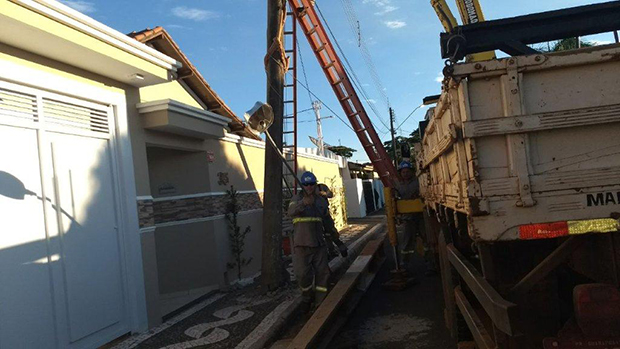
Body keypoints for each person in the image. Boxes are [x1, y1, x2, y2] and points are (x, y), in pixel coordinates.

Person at [288, 171, 347, 312]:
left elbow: (327, 223)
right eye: (306, 184)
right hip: (301, 245)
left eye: (311, 184)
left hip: (319, 244)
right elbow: (291, 212)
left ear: (315, 184)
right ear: (302, 185)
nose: (309, 187)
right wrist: (303, 203)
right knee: (302, 275)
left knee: (323, 274)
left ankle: (320, 303)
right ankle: (307, 297)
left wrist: (338, 242)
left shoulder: (320, 201)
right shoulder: (296, 199)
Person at [394, 161, 436, 274]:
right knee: (407, 243)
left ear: (412, 172)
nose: (406, 174)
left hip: (421, 217)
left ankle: (430, 264)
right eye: (403, 172)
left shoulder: (418, 182)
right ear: (400, 173)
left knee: (427, 240)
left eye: (408, 171)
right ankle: (404, 265)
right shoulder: (398, 186)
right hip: (408, 218)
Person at [316, 183, 348, 259]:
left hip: (325, 214)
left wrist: (325, 193)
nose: (310, 186)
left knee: (332, 232)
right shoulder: (309, 191)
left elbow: (330, 194)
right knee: (324, 235)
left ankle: (342, 248)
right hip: (317, 215)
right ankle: (331, 251)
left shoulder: (321, 187)